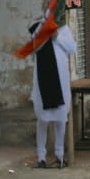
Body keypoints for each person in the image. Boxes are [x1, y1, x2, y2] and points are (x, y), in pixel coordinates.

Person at [29, 20, 77, 169]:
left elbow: (72, 48)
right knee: (42, 120)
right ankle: (41, 157)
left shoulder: (64, 30)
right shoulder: (38, 29)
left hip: (60, 82)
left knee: (61, 119)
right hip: (43, 82)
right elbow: (34, 47)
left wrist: (57, 37)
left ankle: (59, 155)